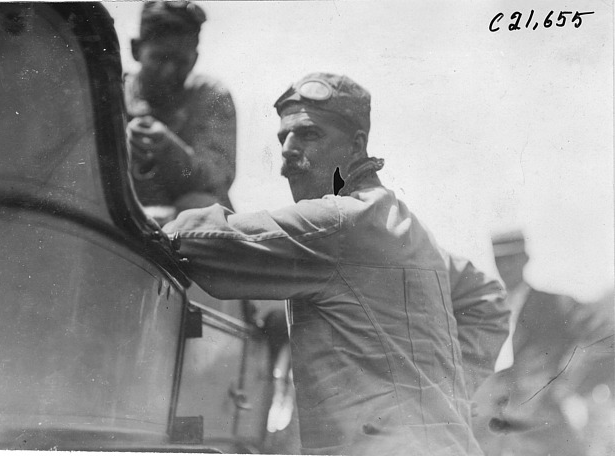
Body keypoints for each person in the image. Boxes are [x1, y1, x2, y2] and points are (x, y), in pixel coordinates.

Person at [163, 72, 509, 455]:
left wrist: (165, 214)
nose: (288, 154)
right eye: (283, 139)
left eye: (309, 134)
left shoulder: (339, 223)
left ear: (356, 145)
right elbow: (486, 297)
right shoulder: (398, 226)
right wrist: (449, 395)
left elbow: (201, 239)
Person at [472, 230, 615, 456]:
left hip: (543, 431)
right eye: (499, 259)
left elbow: (607, 337)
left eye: (511, 258)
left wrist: (567, 385)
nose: (505, 266)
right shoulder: (485, 313)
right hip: (493, 437)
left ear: (524, 258)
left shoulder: (554, 305)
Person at [125, 1, 236, 225]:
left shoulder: (211, 96)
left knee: (200, 204)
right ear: (136, 50)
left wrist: (169, 149)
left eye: (181, 62)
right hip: (122, 222)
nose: (169, 72)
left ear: (194, 59)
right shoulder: (110, 92)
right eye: (159, 58)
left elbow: (216, 182)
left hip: (185, 229)